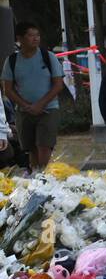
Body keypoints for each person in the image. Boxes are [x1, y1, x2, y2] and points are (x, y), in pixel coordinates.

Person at [1, 22, 65, 169]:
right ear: (20, 39)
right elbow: (8, 89)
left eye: (37, 35)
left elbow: (58, 85)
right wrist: (26, 105)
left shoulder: (48, 57)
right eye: (30, 35)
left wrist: (40, 104)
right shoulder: (12, 61)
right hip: (24, 112)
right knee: (31, 148)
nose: (35, 39)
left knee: (44, 145)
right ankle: (35, 174)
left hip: (48, 109)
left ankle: (44, 175)